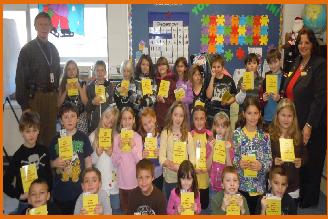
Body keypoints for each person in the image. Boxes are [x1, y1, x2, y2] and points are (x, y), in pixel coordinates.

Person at [282, 28, 326, 208]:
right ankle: (300, 195)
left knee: (312, 161)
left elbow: (320, 97)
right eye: (300, 42)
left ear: (313, 44)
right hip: (296, 122)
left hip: (313, 124)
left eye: (307, 42)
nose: (303, 46)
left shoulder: (320, 64)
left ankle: (310, 201)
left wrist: (308, 125)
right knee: (300, 160)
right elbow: (289, 89)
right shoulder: (298, 62)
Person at [15, 12, 61, 146]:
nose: (43, 27)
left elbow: (57, 75)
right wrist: (25, 106)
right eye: (40, 24)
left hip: (51, 98)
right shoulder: (27, 50)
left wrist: (56, 97)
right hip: (35, 98)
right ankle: (36, 165)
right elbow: (20, 79)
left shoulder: (54, 49)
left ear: (50, 26)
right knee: (35, 134)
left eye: (46, 24)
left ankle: (49, 166)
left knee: (51, 134)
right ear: (35, 26)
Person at [3, 111, 52, 213]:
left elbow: (49, 175)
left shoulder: (44, 151)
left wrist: (48, 193)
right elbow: (5, 183)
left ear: (39, 131)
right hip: (25, 203)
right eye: (27, 131)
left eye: (34, 130)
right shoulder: (18, 156)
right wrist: (20, 195)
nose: (31, 135)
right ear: (21, 132)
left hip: (44, 201)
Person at [49, 102, 93, 214]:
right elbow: (48, 163)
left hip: (79, 189)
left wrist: (88, 182)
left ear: (77, 119)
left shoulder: (83, 137)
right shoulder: (55, 139)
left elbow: (88, 162)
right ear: (61, 120)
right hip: (60, 190)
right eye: (66, 117)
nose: (69, 120)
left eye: (73, 116)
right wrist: (54, 163)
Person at [233, 97, 272, 214]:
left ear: (260, 114)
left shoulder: (265, 136)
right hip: (241, 187)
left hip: (259, 188)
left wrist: (261, 166)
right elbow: (232, 158)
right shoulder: (237, 134)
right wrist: (238, 163)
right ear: (244, 114)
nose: (253, 117)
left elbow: (269, 162)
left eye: (256, 113)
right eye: (249, 113)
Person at [269, 99, 307, 202]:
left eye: (289, 116)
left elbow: (305, 155)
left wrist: (301, 161)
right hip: (275, 184)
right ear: (277, 116)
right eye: (283, 115)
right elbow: (265, 155)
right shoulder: (271, 135)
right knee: (274, 211)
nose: (286, 119)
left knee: (291, 210)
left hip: (292, 184)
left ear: (294, 118)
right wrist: (273, 160)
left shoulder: (298, 135)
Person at [159, 102, 195, 200]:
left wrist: (183, 170)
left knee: (185, 209)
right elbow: (161, 157)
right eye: (175, 115)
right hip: (170, 179)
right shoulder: (165, 133)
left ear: (184, 117)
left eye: (181, 116)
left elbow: (192, 160)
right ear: (171, 115)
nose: (178, 119)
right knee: (171, 208)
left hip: (185, 181)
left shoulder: (188, 135)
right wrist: (170, 164)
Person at [89, 106, 121, 214]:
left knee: (116, 209)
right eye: (107, 117)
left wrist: (111, 154)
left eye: (112, 122)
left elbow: (119, 162)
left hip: (114, 183)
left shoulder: (116, 137)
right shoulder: (93, 136)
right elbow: (91, 162)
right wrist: (97, 154)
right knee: (102, 212)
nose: (108, 123)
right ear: (102, 116)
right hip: (100, 185)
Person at [112, 107, 143, 213]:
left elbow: (139, 161)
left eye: (129, 118)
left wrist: (133, 147)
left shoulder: (137, 137)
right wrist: (119, 149)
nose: (127, 121)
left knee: (136, 211)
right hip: (121, 184)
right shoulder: (117, 138)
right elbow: (114, 163)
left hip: (135, 183)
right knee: (125, 211)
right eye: (124, 118)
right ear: (120, 121)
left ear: (134, 120)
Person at [191, 105, 213, 211]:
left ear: (205, 119)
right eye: (196, 119)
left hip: (205, 179)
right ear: (192, 120)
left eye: (201, 118)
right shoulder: (189, 135)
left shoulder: (210, 136)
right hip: (192, 181)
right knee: (192, 208)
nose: (199, 122)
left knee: (204, 207)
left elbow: (214, 157)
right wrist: (193, 169)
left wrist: (207, 168)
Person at [206, 112, 234, 195]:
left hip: (227, 187)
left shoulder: (229, 145)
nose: (220, 129)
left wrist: (227, 150)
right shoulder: (210, 143)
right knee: (214, 206)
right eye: (217, 126)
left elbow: (230, 169)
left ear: (227, 128)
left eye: (223, 126)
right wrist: (212, 150)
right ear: (214, 127)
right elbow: (207, 167)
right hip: (213, 185)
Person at [58, 60, 88, 134]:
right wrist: (65, 91)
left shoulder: (82, 83)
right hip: (66, 118)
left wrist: (79, 88)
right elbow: (58, 104)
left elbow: (85, 102)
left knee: (80, 141)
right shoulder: (62, 84)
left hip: (80, 118)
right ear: (65, 71)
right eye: (69, 69)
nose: (71, 71)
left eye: (73, 69)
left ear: (77, 70)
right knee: (66, 143)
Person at [206, 54, 236, 127]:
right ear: (211, 68)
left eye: (218, 67)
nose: (216, 69)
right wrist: (212, 77)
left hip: (224, 115)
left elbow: (234, 96)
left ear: (222, 67)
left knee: (224, 136)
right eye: (214, 67)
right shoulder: (209, 79)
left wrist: (228, 102)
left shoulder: (229, 80)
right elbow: (209, 96)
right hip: (211, 116)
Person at [86, 60, 114, 134]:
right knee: (94, 143)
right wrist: (93, 102)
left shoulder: (110, 86)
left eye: (102, 70)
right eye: (97, 70)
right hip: (94, 122)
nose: (100, 73)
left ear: (105, 72)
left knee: (106, 142)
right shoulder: (90, 87)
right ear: (94, 72)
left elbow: (112, 104)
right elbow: (87, 107)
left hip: (107, 123)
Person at [138, 107, 163, 191]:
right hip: (146, 177)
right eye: (145, 124)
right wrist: (142, 156)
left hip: (159, 175)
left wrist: (161, 155)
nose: (148, 126)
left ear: (155, 119)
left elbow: (166, 157)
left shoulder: (162, 137)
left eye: (150, 121)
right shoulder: (141, 139)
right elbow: (138, 159)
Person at [262, 49, 286, 130]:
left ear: (280, 60)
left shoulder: (285, 77)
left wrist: (279, 98)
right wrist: (263, 98)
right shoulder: (266, 76)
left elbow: (288, 97)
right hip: (267, 117)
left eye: (275, 62)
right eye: (270, 63)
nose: (273, 65)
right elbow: (262, 96)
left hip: (280, 118)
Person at [154, 57, 176, 131]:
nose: (161, 67)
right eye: (159, 65)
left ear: (167, 67)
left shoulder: (172, 82)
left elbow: (175, 101)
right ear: (157, 68)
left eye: (163, 64)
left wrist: (164, 101)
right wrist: (155, 98)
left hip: (167, 116)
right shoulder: (156, 82)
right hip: (157, 116)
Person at [174, 57, 193, 125]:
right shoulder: (173, 80)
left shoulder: (188, 82)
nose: (179, 68)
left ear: (185, 68)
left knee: (185, 130)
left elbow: (191, 99)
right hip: (175, 111)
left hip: (185, 111)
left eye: (181, 66)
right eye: (178, 66)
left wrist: (182, 100)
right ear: (176, 68)